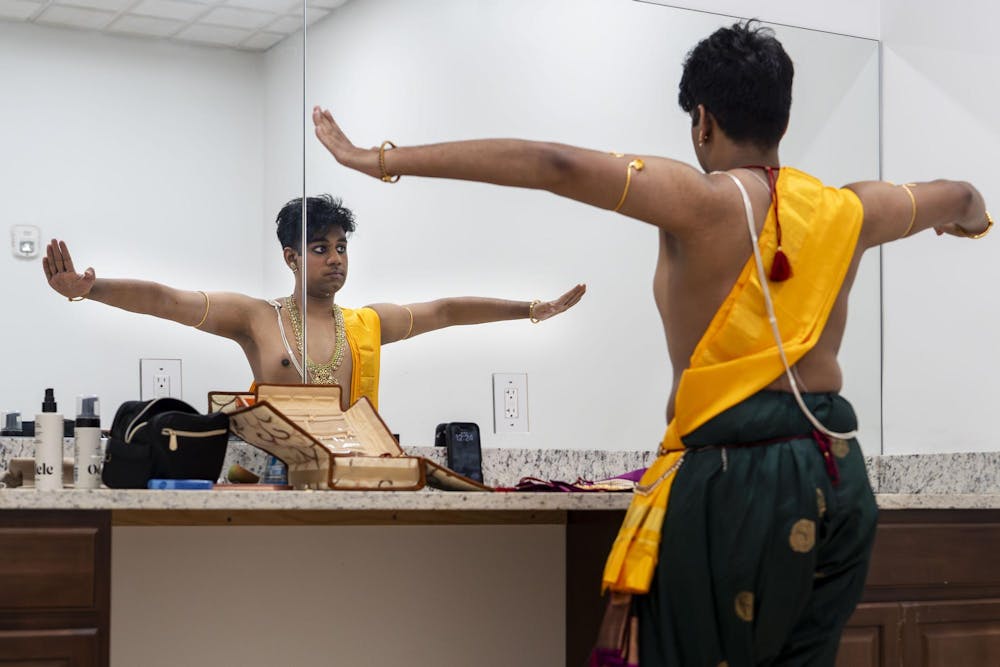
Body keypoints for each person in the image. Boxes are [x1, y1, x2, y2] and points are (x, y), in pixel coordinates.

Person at [310, 21, 990, 665]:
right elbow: (959, 194)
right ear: (782, 115)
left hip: (736, 479)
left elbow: (551, 163)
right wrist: (973, 219)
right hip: (838, 479)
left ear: (703, 120)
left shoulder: (698, 201)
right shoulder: (853, 209)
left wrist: (378, 159)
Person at [43, 194, 585, 410]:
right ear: (291, 258)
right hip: (269, 475)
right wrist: (93, 290)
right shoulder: (258, 318)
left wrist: (530, 310)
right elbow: (169, 300)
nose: (335, 259)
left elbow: (445, 311)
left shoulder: (366, 323)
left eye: (341, 247)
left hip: (353, 478)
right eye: (320, 248)